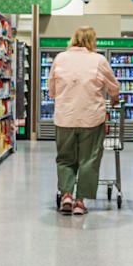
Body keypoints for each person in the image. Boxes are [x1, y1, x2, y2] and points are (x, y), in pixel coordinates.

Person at [48, 26, 120, 215]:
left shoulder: (60, 58)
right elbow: (114, 86)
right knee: (89, 160)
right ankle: (80, 202)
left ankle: (66, 196)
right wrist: (114, 98)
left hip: (65, 118)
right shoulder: (98, 60)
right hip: (91, 119)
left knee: (65, 159)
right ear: (91, 41)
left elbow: (51, 90)